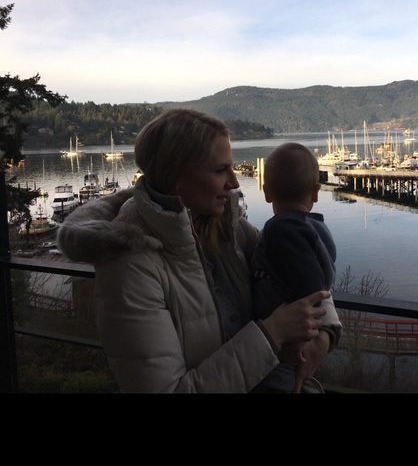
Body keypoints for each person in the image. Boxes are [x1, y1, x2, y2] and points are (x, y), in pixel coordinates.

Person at [57, 108, 341, 393]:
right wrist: (273, 333)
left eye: (231, 167)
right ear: (176, 176)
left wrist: (325, 332)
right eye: (220, 170)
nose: (235, 182)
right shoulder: (129, 266)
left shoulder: (229, 229)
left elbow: (298, 268)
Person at [251, 142, 337, 393]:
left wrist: (298, 340)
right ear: (315, 192)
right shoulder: (317, 227)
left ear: (267, 193)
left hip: (285, 348)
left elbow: (308, 287)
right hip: (295, 337)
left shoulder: (281, 228)